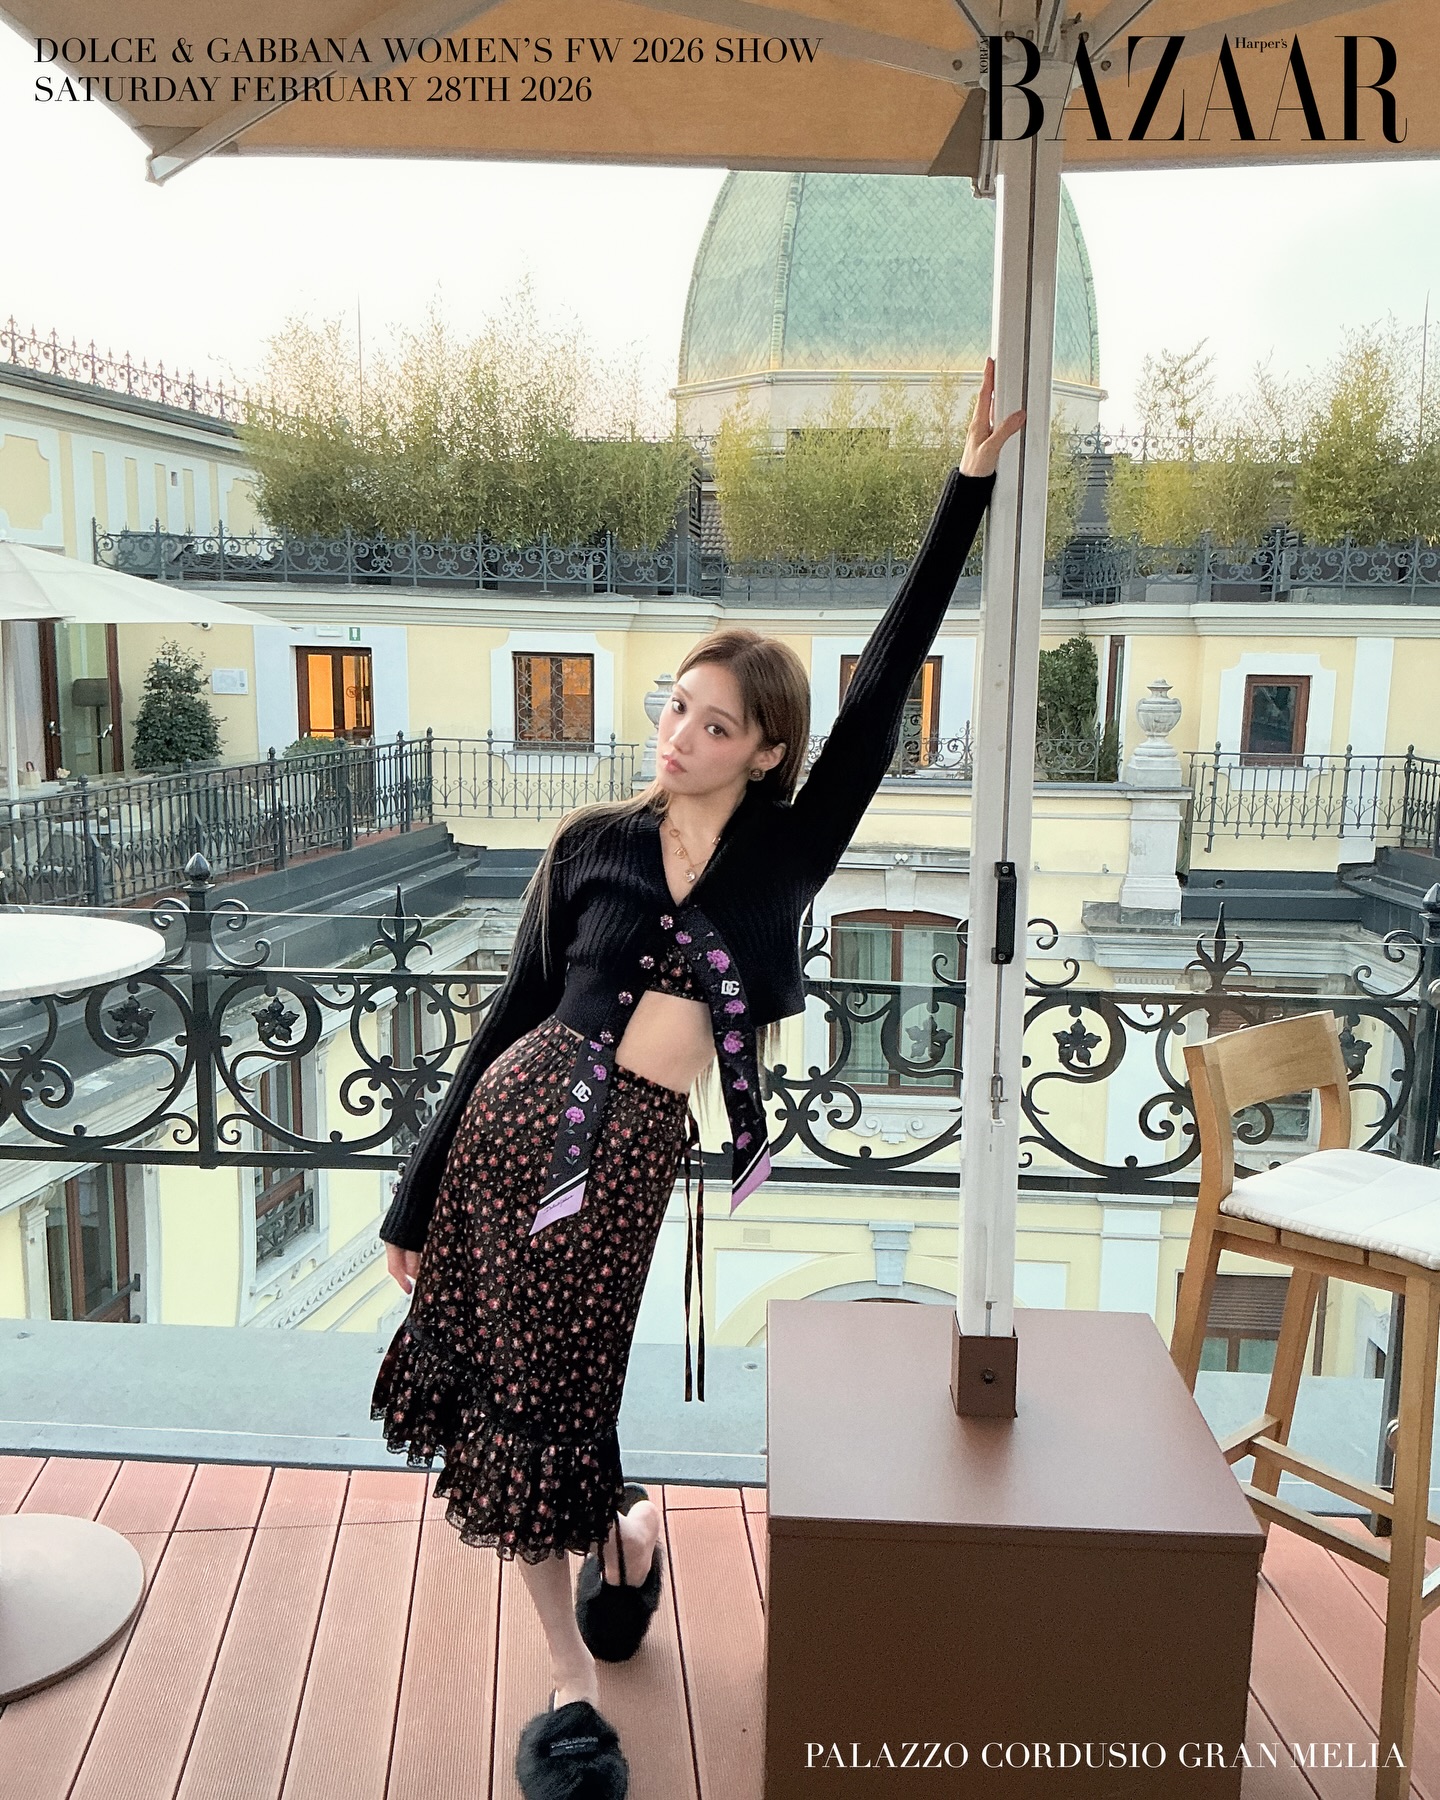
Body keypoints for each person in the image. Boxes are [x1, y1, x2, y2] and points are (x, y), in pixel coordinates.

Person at [370, 356, 1023, 1800]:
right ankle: (568, 1690)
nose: (679, 737)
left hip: (624, 1162)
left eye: (716, 724)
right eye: (674, 709)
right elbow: (508, 1017)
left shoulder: (788, 850)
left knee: (567, 1394)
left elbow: (886, 682)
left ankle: (622, 1535)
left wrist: (965, 489)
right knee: (525, 1406)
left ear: (767, 749)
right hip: (510, 1134)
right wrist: (413, 1198)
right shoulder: (590, 845)